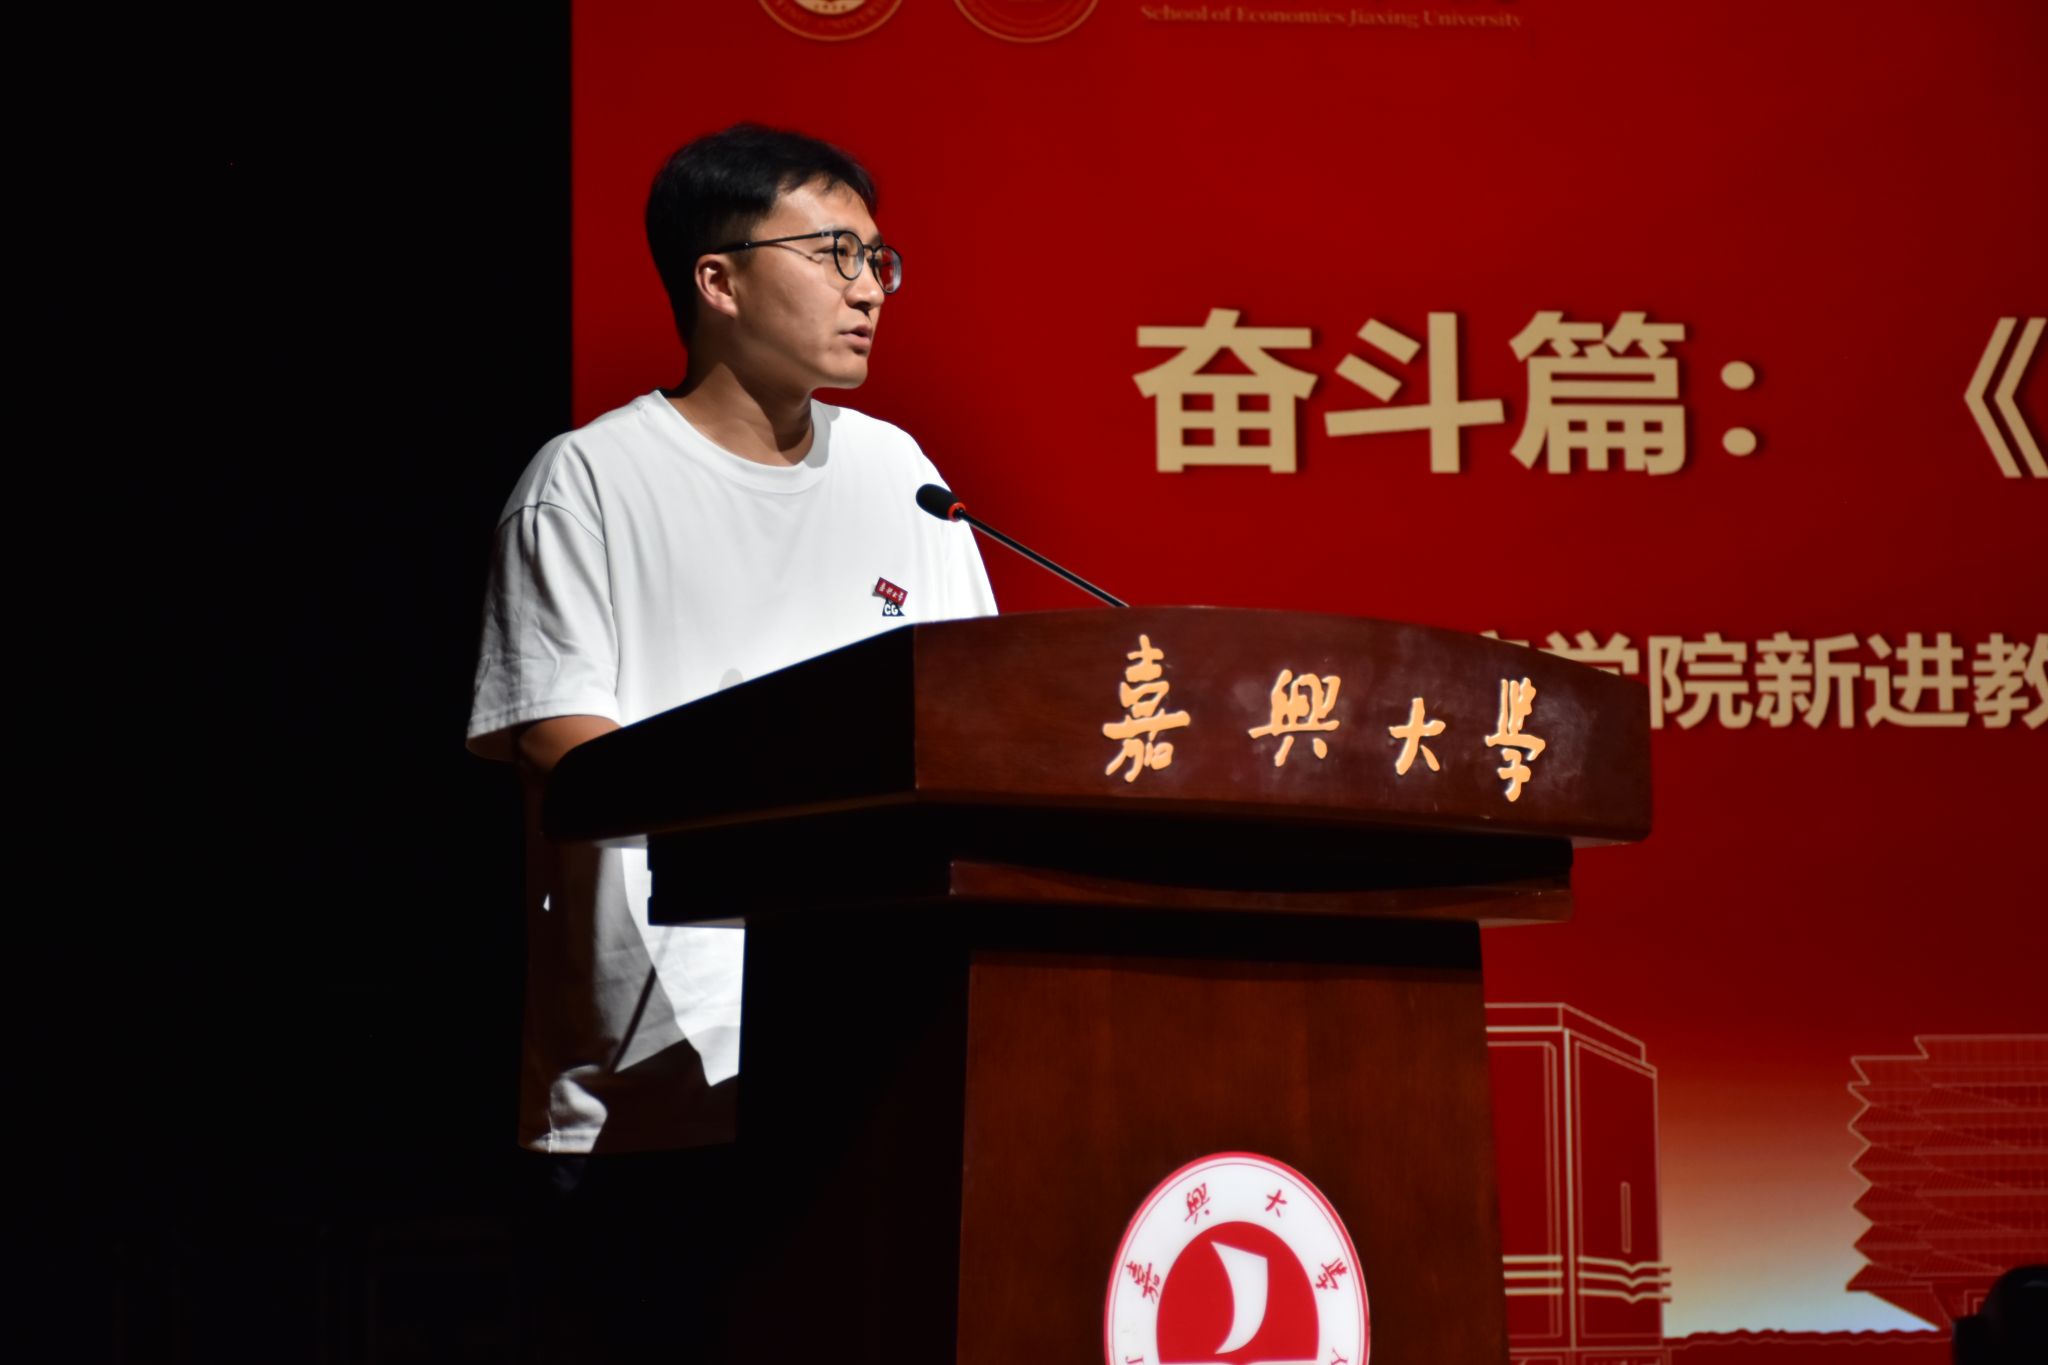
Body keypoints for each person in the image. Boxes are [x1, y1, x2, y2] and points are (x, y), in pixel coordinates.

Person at [465, 124, 996, 1360]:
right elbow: (561, 742)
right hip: (658, 1085)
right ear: (718, 279)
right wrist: (788, 809)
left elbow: (977, 710)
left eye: (878, 258)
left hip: (874, 1054)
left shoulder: (900, 476)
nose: (869, 288)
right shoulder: (587, 482)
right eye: (833, 254)